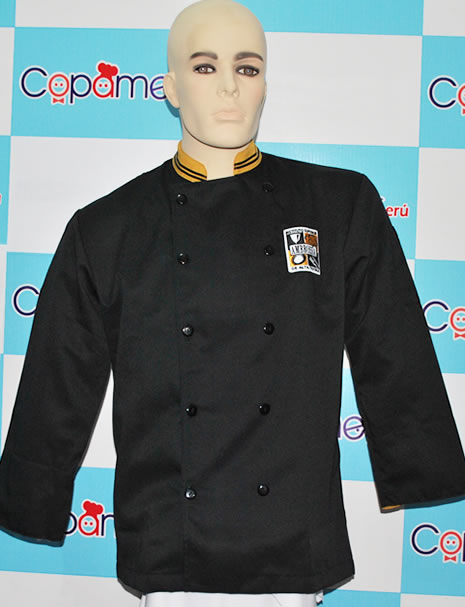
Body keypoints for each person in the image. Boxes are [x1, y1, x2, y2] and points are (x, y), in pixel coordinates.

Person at [0, 1, 464, 607]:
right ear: (170, 88)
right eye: (204, 67)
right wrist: (32, 494)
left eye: (247, 68)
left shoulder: (337, 205)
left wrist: (419, 461)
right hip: (172, 546)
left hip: (293, 542)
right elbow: (58, 380)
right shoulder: (109, 228)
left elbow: (393, 349)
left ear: (266, 83)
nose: (228, 87)